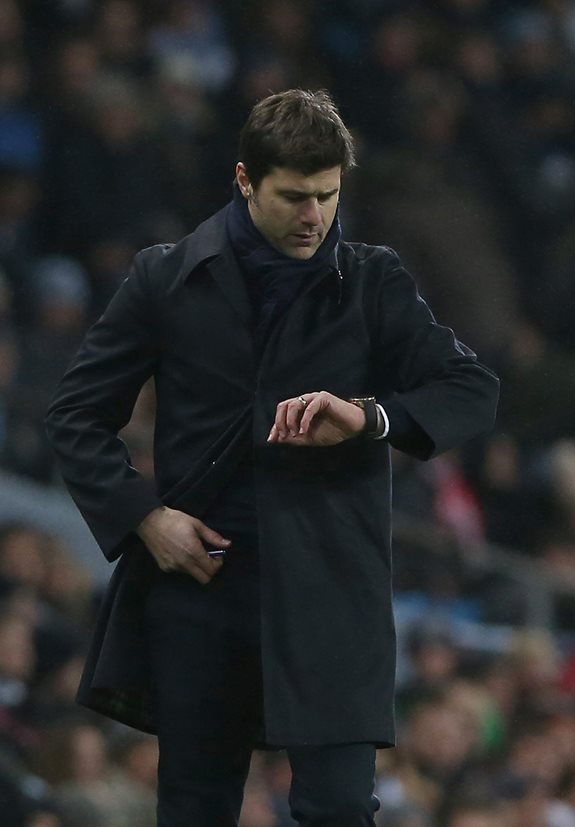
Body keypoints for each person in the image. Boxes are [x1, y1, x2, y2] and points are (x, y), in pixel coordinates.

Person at [44, 89, 500, 825]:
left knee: (339, 809)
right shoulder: (165, 276)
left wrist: (370, 417)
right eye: (294, 196)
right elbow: (73, 415)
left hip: (331, 588)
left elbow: (473, 387)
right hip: (202, 585)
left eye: (327, 195)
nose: (314, 216)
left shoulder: (372, 279)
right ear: (245, 179)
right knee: (194, 808)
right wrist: (145, 519)